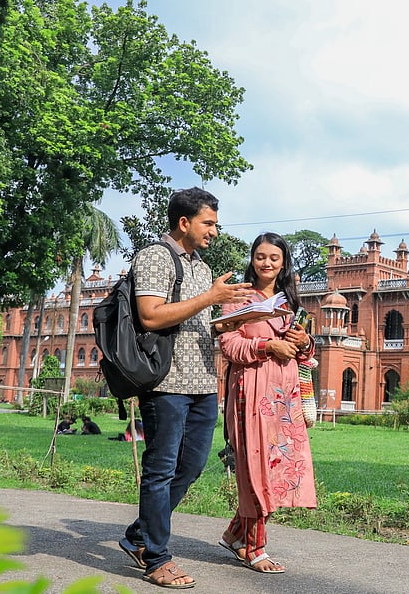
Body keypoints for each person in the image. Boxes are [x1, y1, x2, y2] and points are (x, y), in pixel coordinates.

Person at [117, 187, 253, 589]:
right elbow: (152, 316)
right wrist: (211, 297)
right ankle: (156, 557)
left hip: (201, 382)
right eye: (209, 222)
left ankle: (138, 535)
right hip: (165, 381)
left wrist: (228, 319)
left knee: (190, 466)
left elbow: (197, 323)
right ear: (184, 222)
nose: (215, 230)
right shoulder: (156, 257)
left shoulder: (201, 267)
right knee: (160, 470)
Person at [216, 233, 318, 574]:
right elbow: (228, 344)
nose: (267, 263)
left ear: (284, 262)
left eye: (274, 257)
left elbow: (304, 352)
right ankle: (255, 548)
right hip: (250, 390)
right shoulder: (238, 297)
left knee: (277, 468)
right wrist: (267, 347)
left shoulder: (290, 299)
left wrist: (304, 341)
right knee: (256, 468)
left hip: (285, 396)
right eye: (261, 256)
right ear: (252, 259)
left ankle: (235, 533)